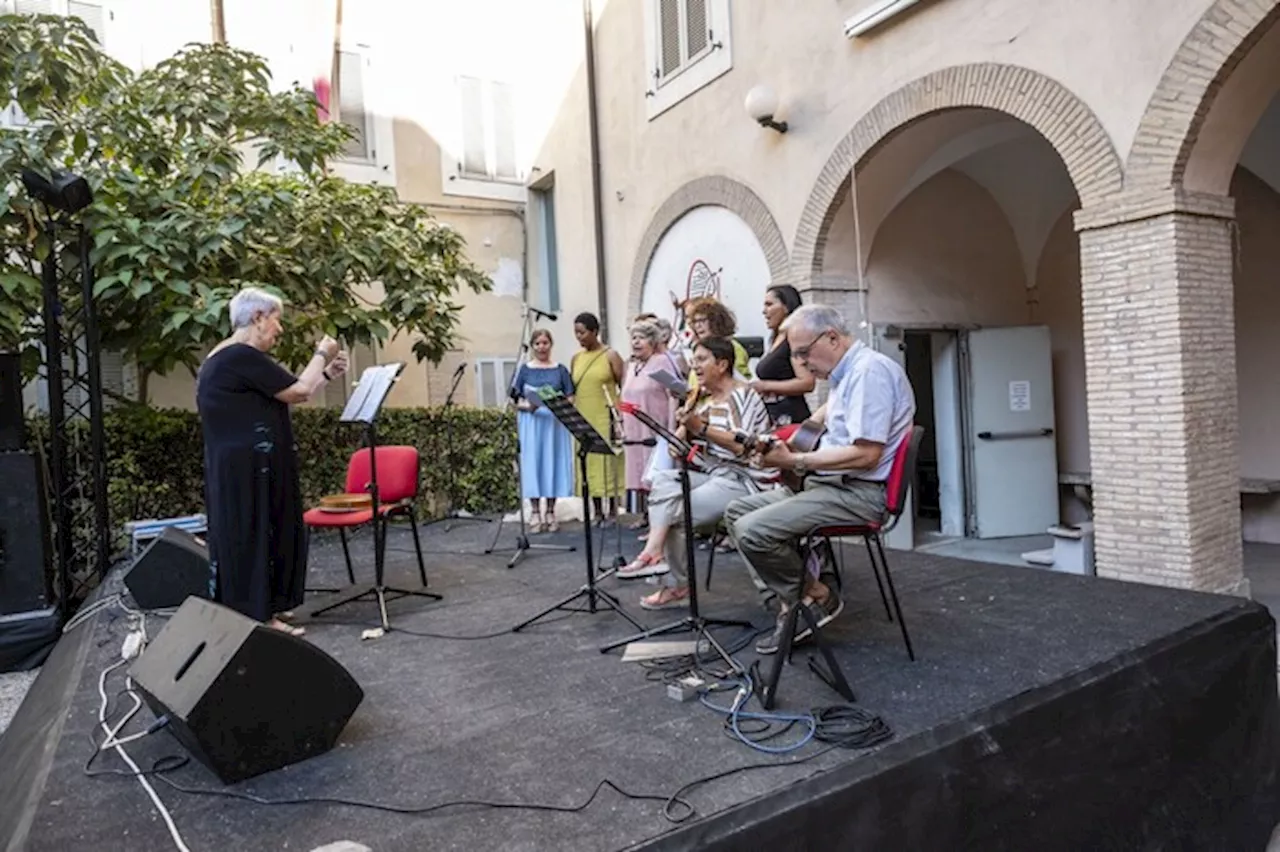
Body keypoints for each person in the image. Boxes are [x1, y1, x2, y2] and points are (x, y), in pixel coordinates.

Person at [725, 304, 915, 655]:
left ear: (831, 338)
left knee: (754, 531)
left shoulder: (868, 373)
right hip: (833, 486)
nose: (801, 363)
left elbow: (866, 454)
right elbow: (819, 421)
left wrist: (795, 460)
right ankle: (793, 601)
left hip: (858, 493)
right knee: (737, 512)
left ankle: (817, 597)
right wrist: (778, 443)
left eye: (802, 352)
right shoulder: (846, 375)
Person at [196, 287, 348, 637]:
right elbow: (298, 390)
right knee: (255, 535)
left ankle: (267, 607)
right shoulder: (239, 355)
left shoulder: (225, 357)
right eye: (277, 321)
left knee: (258, 533)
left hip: (240, 466)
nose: (279, 330)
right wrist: (322, 353)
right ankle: (261, 617)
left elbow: (287, 393)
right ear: (258, 318)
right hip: (247, 468)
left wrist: (324, 374)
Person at [634, 337, 774, 611]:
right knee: (665, 482)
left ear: (722, 364)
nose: (693, 367)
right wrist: (686, 420)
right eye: (693, 360)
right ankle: (657, 557)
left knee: (673, 513)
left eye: (701, 360)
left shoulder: (744, 395)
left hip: (744, 479)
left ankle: (672, 580)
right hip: (715, 475)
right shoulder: (704, 402)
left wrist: (701, 427)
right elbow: (676, 452)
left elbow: (740, 449)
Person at [512, 329, 575, 533]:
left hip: (553, 422)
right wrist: (528, 407)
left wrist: (557, 404)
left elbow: (570, 397)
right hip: (531, 421)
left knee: (551, 463)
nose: (541, 347)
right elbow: (515, 398)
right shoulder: (525, 370)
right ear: (532, 346)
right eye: (537, 343)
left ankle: (550, 510)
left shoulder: (560, 370)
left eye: (545, 343)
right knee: (533, 463)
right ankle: (535, 511)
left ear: (551, 344)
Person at [620, 319, 680, 526]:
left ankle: (659, 522)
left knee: (655, 476)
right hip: (633, 429)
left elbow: (673, 395)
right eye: (633, 338)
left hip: (655, 427)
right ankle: (646, 517)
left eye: (641, 338)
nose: (636, 342)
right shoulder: (632, 365)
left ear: (653, 341)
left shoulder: (661, 361)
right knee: (637, 472)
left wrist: (671, 431)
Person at [570, 312, 625, 520]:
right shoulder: (576, 358)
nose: (579, 337)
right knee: (589, 461)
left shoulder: (610, 355)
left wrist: (619, 413)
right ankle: (597, 511)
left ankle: (612, 509)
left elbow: (623, 385)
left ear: (595, 332)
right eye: (576, 333)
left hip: (605, 415)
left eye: (582, 332)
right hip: (583, 415)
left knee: (607, 461)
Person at [750, 285, 815, 427]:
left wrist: (766, 386)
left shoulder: (793, 337)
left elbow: (807, 382)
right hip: (775, 417)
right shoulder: (774, 338)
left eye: (769, 305)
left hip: (791, 418)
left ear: (786, 308)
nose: (764, 311)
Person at [684, 297, 751, 381]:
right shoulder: (699, 348)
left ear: (716, 321)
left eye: (702, 320)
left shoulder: (734, 348)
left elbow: (741, 381)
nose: (698, 326)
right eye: (695, 322)